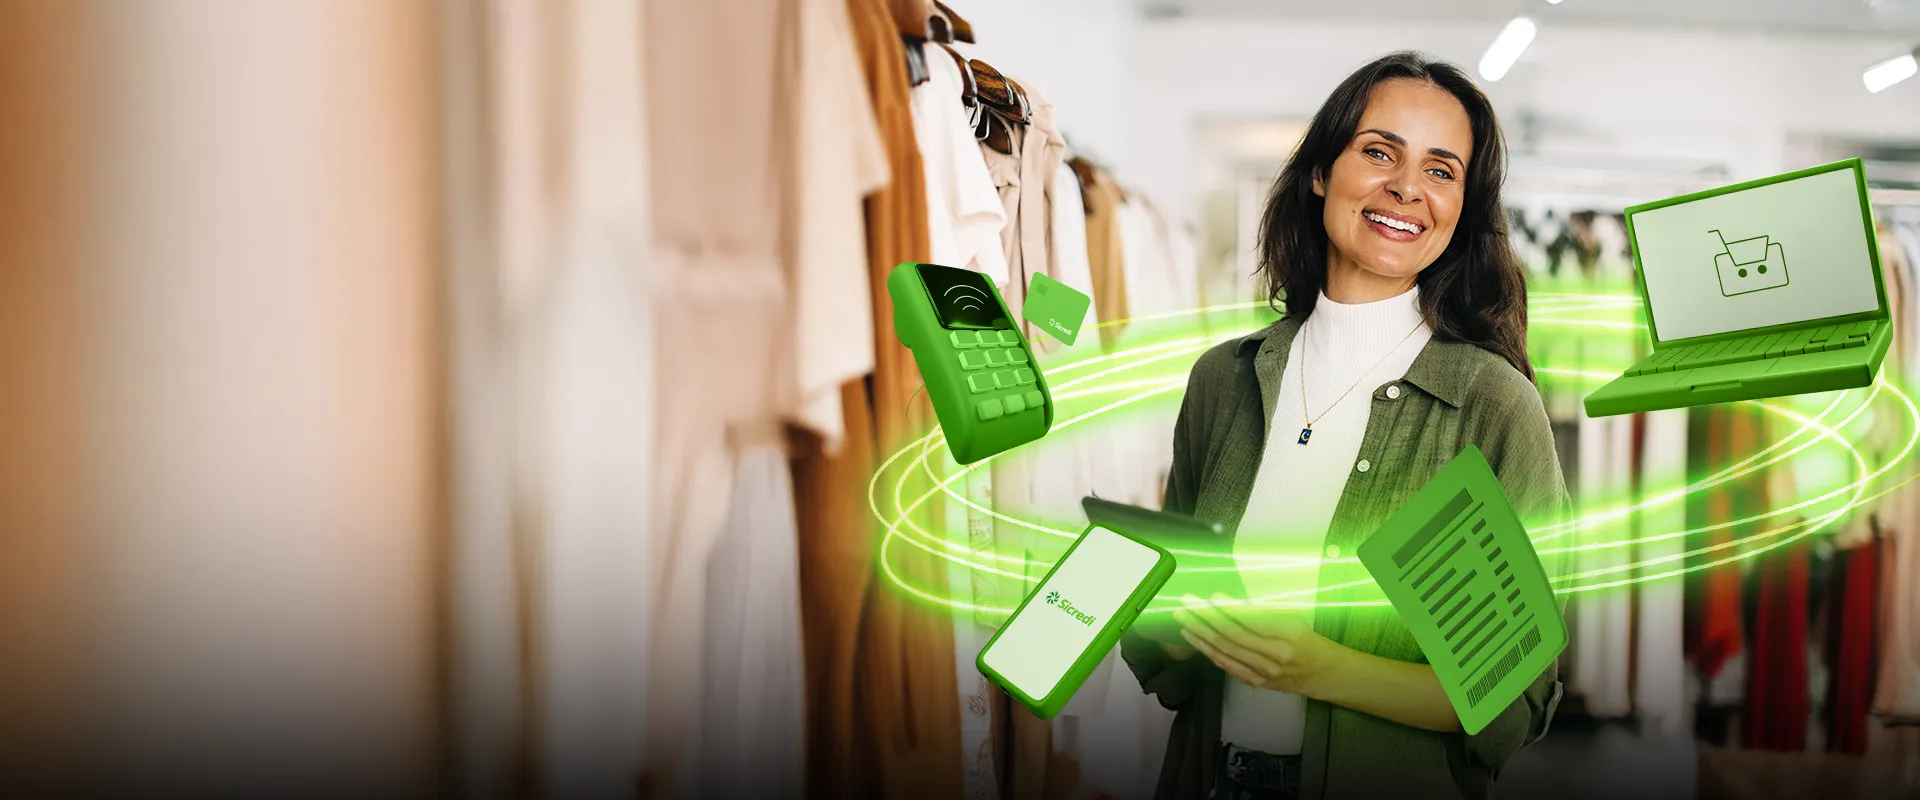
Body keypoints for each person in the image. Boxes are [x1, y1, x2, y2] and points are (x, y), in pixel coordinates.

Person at [1119, 51, 1572, 800]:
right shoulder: (1221, 382)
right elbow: (1172, 653)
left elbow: (1512, 703)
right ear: (1322, 172)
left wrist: (1318, 668)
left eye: (1440, 170)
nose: (1405, 187)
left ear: (1462, 210)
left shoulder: (1490, 407)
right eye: (1379, 152)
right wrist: (1157, 614)